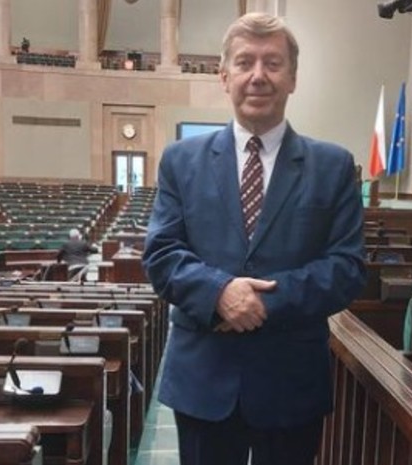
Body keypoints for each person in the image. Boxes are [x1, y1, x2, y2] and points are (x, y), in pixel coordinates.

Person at [142, 12, 367, 465]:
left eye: (273, 63)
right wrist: (219, 293)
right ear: (224, 76)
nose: (258, 76)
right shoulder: (180, 161)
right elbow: (161, 254)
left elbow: (346, 268)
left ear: (293, 78)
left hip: (291, 382)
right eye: (245, 62)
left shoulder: (333, 166)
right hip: (204, 378)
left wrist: (264, 302)